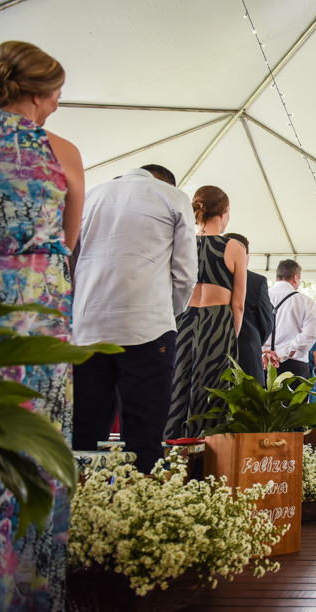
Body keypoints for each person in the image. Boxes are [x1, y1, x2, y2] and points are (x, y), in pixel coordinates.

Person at [0, 40, 83, 612]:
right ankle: (30, 593)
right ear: (38, 93)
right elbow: (69, 241)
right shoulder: (61, 151)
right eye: (55, 94)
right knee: (39, 451)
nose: (56, 104)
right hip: (40, 317)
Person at [72, 165, 196, 471]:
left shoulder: (90, 196)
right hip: (148, 327)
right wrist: (168, 314)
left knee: (84, 431)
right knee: (143, 435)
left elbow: (71, 259)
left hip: (88, 327)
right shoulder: (173, 197)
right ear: (166, 180)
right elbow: (185, 275)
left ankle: (78, 507)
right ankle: (136, 509)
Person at [165, 186, 246, 439]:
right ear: (224, 212)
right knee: (213, 389)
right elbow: (239, 303)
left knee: (179, 385)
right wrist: (231, 336)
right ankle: (207, 451)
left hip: (183, 319)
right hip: (218, 323)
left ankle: (172, 451)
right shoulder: (233, 247)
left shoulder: (181, 240)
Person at [223, 233, 273, 385]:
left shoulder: (212, 278)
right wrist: (254, 342)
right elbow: (266, 323)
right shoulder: (257, 281)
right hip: (248, 356)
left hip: (215, 352)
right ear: (247, 255)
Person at [261, 259, 316, 388]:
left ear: (277, 276)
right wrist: (281, 354)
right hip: (294, 368)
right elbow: (310, 335)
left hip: (262, 365)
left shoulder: (261, 298)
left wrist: (265, 354)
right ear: (295, 277)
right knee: (294, 408)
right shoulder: (306, 302)